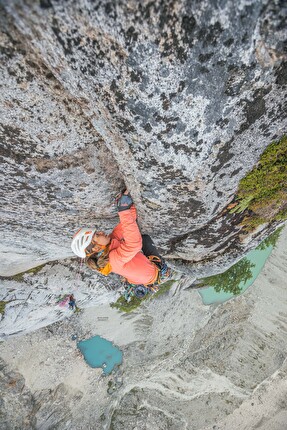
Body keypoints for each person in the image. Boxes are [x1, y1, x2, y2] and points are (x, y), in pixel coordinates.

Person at [71, 191, 171, 290]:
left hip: (139, 278)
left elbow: (124, 225)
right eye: (97, 235)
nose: (101, 232)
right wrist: (123, 209)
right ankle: (160, 270)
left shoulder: (108, 245)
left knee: (136, 235)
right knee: (145, 239)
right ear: (97, 247)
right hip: (153, 274)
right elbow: (134, 244)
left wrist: (126, 205)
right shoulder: (113, 259)